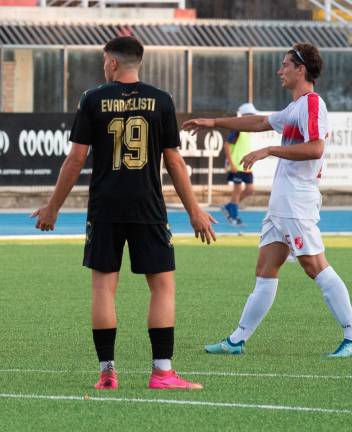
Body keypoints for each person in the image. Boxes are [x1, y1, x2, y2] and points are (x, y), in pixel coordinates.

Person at [33, 36, 216, 390]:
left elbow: (75, 159)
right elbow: (174, 161)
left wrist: (52, 207)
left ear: (113, 63)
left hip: (104, 207)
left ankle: (107, 373)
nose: (104, 66)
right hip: (147, 205)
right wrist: (194, 210)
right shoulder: (162, 101)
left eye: (105, 60)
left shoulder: (93, 99)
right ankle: (162, 373)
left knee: (104, 287)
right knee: (162, 286)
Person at [185, 43, 352, 358]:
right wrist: (213, 123)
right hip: (282, 204)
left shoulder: (312, 104)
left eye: (285, 64)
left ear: (300, 69)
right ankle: (237, 340)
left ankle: (351, 334)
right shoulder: (294, 107)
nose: (280, 70)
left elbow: (315, 148)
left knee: (314, 265)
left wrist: (269, 150)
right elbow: (259, 122)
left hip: (296, 203)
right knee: (266, 268)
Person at [221, 102, 258, 226]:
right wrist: (231, 163)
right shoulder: (237, 130)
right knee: (237, 190)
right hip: (236, 165)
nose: (252, 117)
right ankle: (233, 217)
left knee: (250, 189)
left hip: (246, 167)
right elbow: (226, 144)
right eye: (250, 115)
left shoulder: (248, 130)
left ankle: (229, 207)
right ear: (243, 116)